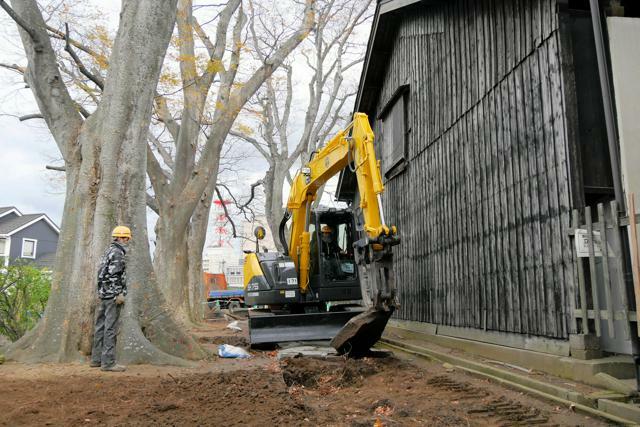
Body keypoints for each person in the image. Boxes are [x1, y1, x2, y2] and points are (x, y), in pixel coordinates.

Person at [90, 225, 130, 372]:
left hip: (103, 294)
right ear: (120, 237)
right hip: (112, 296)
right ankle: (108, 363)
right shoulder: (118, 253)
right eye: (126, 238)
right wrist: (118, 293)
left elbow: (101, 273)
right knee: (110, 328)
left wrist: (103, 292)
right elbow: (114, 275)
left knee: (100, 326)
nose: (127, 240)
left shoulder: (108, 251)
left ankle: (96, 359)